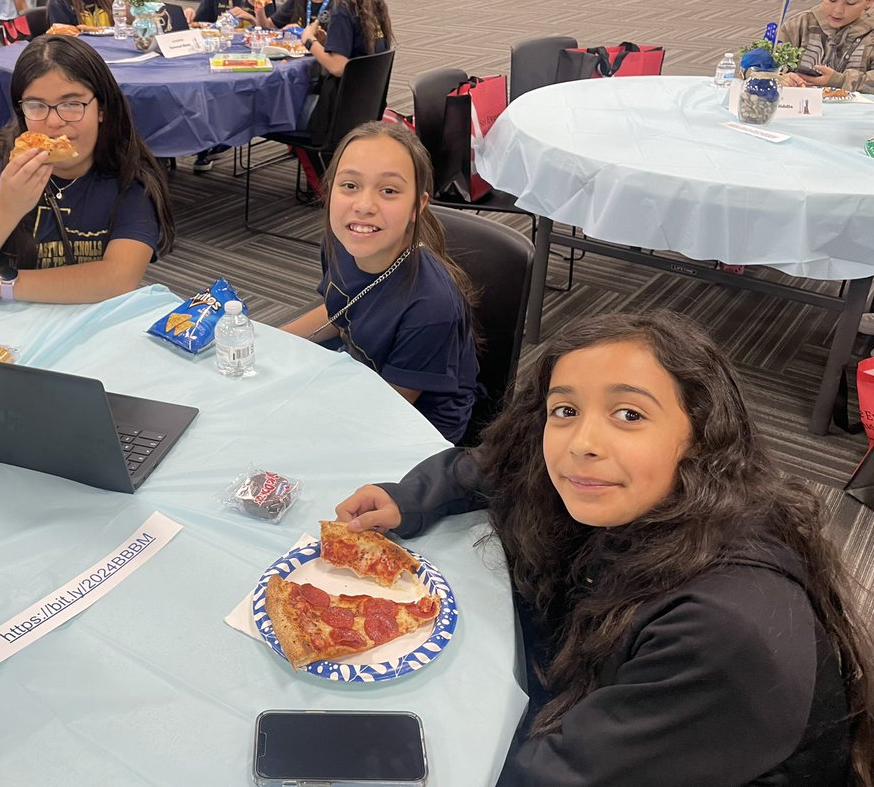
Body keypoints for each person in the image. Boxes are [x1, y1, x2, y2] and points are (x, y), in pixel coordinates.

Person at [335, 312, 873, 785]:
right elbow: (498, 464)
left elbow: (551, 778)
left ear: (701, 434)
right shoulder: (649, 492)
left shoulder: (720, 630)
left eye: (629, 415)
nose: (582, 443)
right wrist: (408, 498)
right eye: (564, 411)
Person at [0, 35, 176, 315]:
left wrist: (1, 284)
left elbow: (119, 276)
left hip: (87, 328)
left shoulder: (129, 175)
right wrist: (6, 208)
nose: (54, 123)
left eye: (72, 104)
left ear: (101, 108)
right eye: (36, 105)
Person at [283, 122, 482, 443]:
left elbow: (387, 411)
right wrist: (269, 340)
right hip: (362, 372)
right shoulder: (341, 241)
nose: (363, 206)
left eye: (388, 190)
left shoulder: (432, 306)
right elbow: (341, 309)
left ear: (418, 206)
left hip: (415, 426)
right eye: (349, 185)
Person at [185, 0, 277, 173]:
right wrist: (190, 17)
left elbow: (272, 33)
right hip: (219, 57)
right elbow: (202, 24)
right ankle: (204, 139)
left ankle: (221, 138)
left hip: (251, 59)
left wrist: (251, 16)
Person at [297, 0, 393, 140]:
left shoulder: (342, 9)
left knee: (285, 106)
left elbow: (339, 67)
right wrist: (327, 42)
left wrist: (309, 40)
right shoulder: (372, 5)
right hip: (365, 108)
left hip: (338, 114)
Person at [781, 0, 874, 93]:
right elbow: (753, 66)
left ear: (870, 0)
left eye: (851, 3)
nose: (837, 10)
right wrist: (778, 77)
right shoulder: (799, 25)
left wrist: (840, 81)